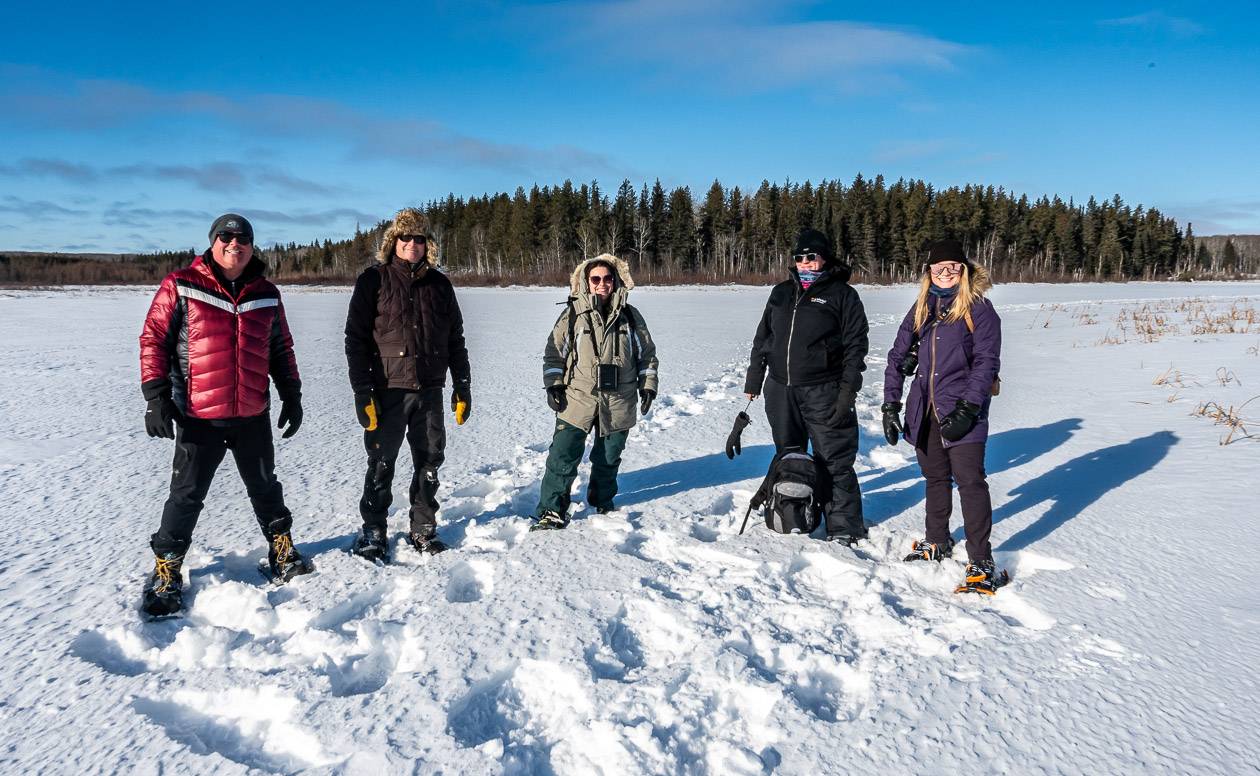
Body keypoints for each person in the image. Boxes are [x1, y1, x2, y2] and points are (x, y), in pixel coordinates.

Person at [138, 213, 309, 617]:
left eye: (243, 238)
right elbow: (154, 339)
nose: (235, 244)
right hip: (199, 415)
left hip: (252, 412)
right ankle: (167, 569)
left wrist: (292, 393)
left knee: (266, 487)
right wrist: (156, 396)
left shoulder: (266, 292)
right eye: (226, 237)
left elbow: (281, 348)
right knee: (186, 495)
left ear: (252, 245)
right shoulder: (182, 285)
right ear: (213, 242)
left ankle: (282, 550)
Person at [345, 208, 471, 560]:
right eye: (405, 238)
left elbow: (455, 339)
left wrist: (462, 384)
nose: (412, 244)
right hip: (388, 391)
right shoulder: (374, 280)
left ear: (427, 244)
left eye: (419, 239)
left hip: (429, 390)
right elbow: (355, 339)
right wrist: (362, 390)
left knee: (430, 460)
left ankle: (423, 527)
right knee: (382, 461)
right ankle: (373, 528)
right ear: (393, 242)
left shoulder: (440, 285)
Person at [882, 239, 1004, 594]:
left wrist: (968, 408)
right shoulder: (923, 307)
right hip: (925, 409)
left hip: (963, 408)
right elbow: (896, 356)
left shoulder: (979, 309)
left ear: (964, 271)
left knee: (970, 482)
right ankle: (936, 540)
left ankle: (981, 561)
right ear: (929, 272)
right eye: (939, 267)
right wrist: (890, 404)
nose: (946, 272)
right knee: (935, 478)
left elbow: (986, 362)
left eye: (953, 266)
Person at [743, 228, 870, 544]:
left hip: (823, 390)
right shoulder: (781, 292)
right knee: (789, 455)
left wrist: (847, 391)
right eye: (799, 257)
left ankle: (843, 528)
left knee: (834, 460)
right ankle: (792, 511)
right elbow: (764, 338)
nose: (804, 262)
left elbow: (856, 347)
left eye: (811, 257)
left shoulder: (842, 295)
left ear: (824, 258)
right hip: (781, 388)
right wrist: (754, 378)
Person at [534, 254, 658, 529]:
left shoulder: (630, 316)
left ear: (616, 282)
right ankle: (551, 509)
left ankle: (602, 501)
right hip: (577, 399)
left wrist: (647, 386)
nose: (602, 284)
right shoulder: (572, 315)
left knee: (608, 457)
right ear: (586, 283)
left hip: (618, 400)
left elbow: (646, 356)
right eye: (596, 279)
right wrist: (554, 385)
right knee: (562, 456)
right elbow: (554, 355)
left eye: (608, 278)